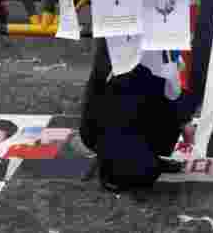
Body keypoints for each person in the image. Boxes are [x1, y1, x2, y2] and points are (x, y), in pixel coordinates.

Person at [79, 42, 190, 193]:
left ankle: (148, 152)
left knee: (163, 78)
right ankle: (109, 160)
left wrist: (183, 119)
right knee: (142, 173)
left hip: (155, 37)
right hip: (126, 39)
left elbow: (172, 84)